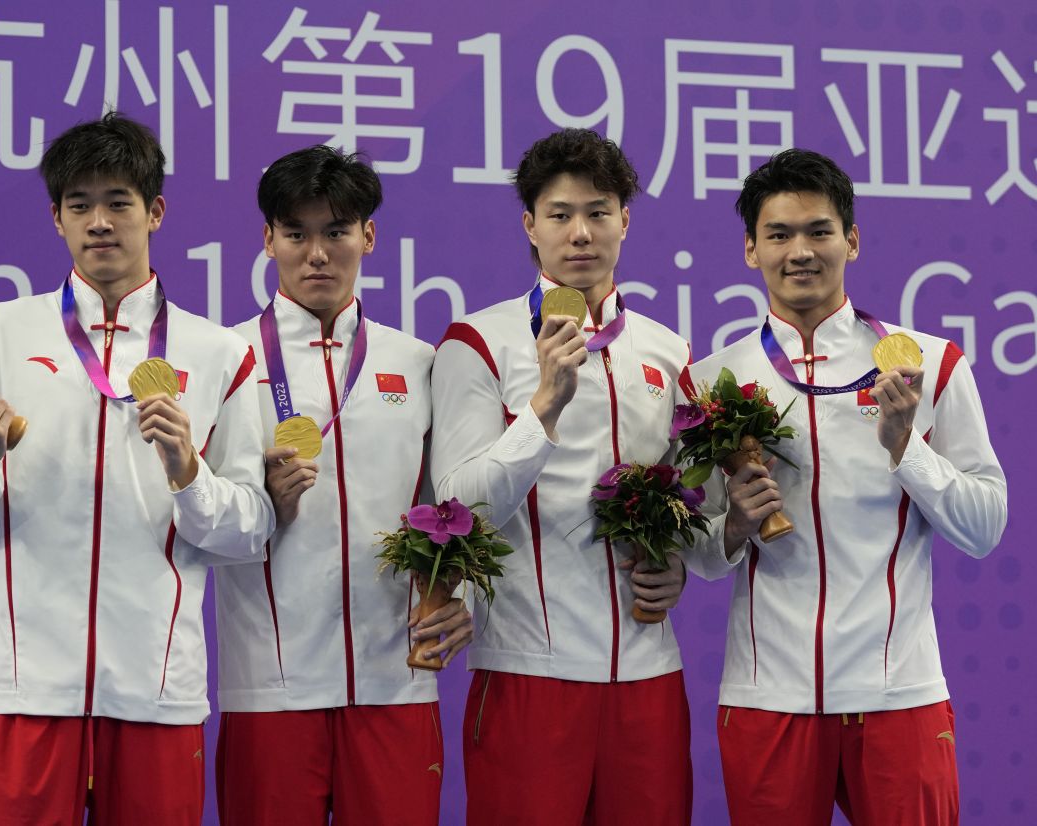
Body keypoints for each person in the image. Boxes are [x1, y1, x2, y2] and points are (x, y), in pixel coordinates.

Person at [0, 112, 274, 825]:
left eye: (119, 202)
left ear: (156, 211)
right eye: (79, 204)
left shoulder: (217, 355)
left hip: (158, 691)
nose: (100, 222)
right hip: (30, 690)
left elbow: (249, 531)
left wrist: (188, 471)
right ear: (55, 218)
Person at [684, 148, 1008, 825]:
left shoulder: (928, 363)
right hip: (770, 697)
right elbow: (701, 558)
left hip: (901, 696)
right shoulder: (713, 381)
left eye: (819, 231)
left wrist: (905, 446)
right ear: (750, 250)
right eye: (778, 235)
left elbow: (984, 527)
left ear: (851, 241)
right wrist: (736, 525)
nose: (800, 251)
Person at [430, 128, 693, 825]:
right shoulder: (477, 343)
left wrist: (681, 565)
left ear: (625, 221)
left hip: (648, 678)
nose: (581, 233)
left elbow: (692, 505)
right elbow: (457, 505)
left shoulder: (668, 352)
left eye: (599, 212)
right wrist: (542, 408)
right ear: (530, 225)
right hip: (529, 678)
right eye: (560, 214)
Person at [216, 144, 472, 826]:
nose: (318, 253)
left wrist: (462, 595)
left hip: (397, 684)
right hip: (271, 691)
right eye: (296, 233)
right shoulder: (225, 361)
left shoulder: (418, 363)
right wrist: (262, 506)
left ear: (369, 235)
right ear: (267, 239)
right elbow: (195, 522)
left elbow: (454, 507)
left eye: (336, 231)